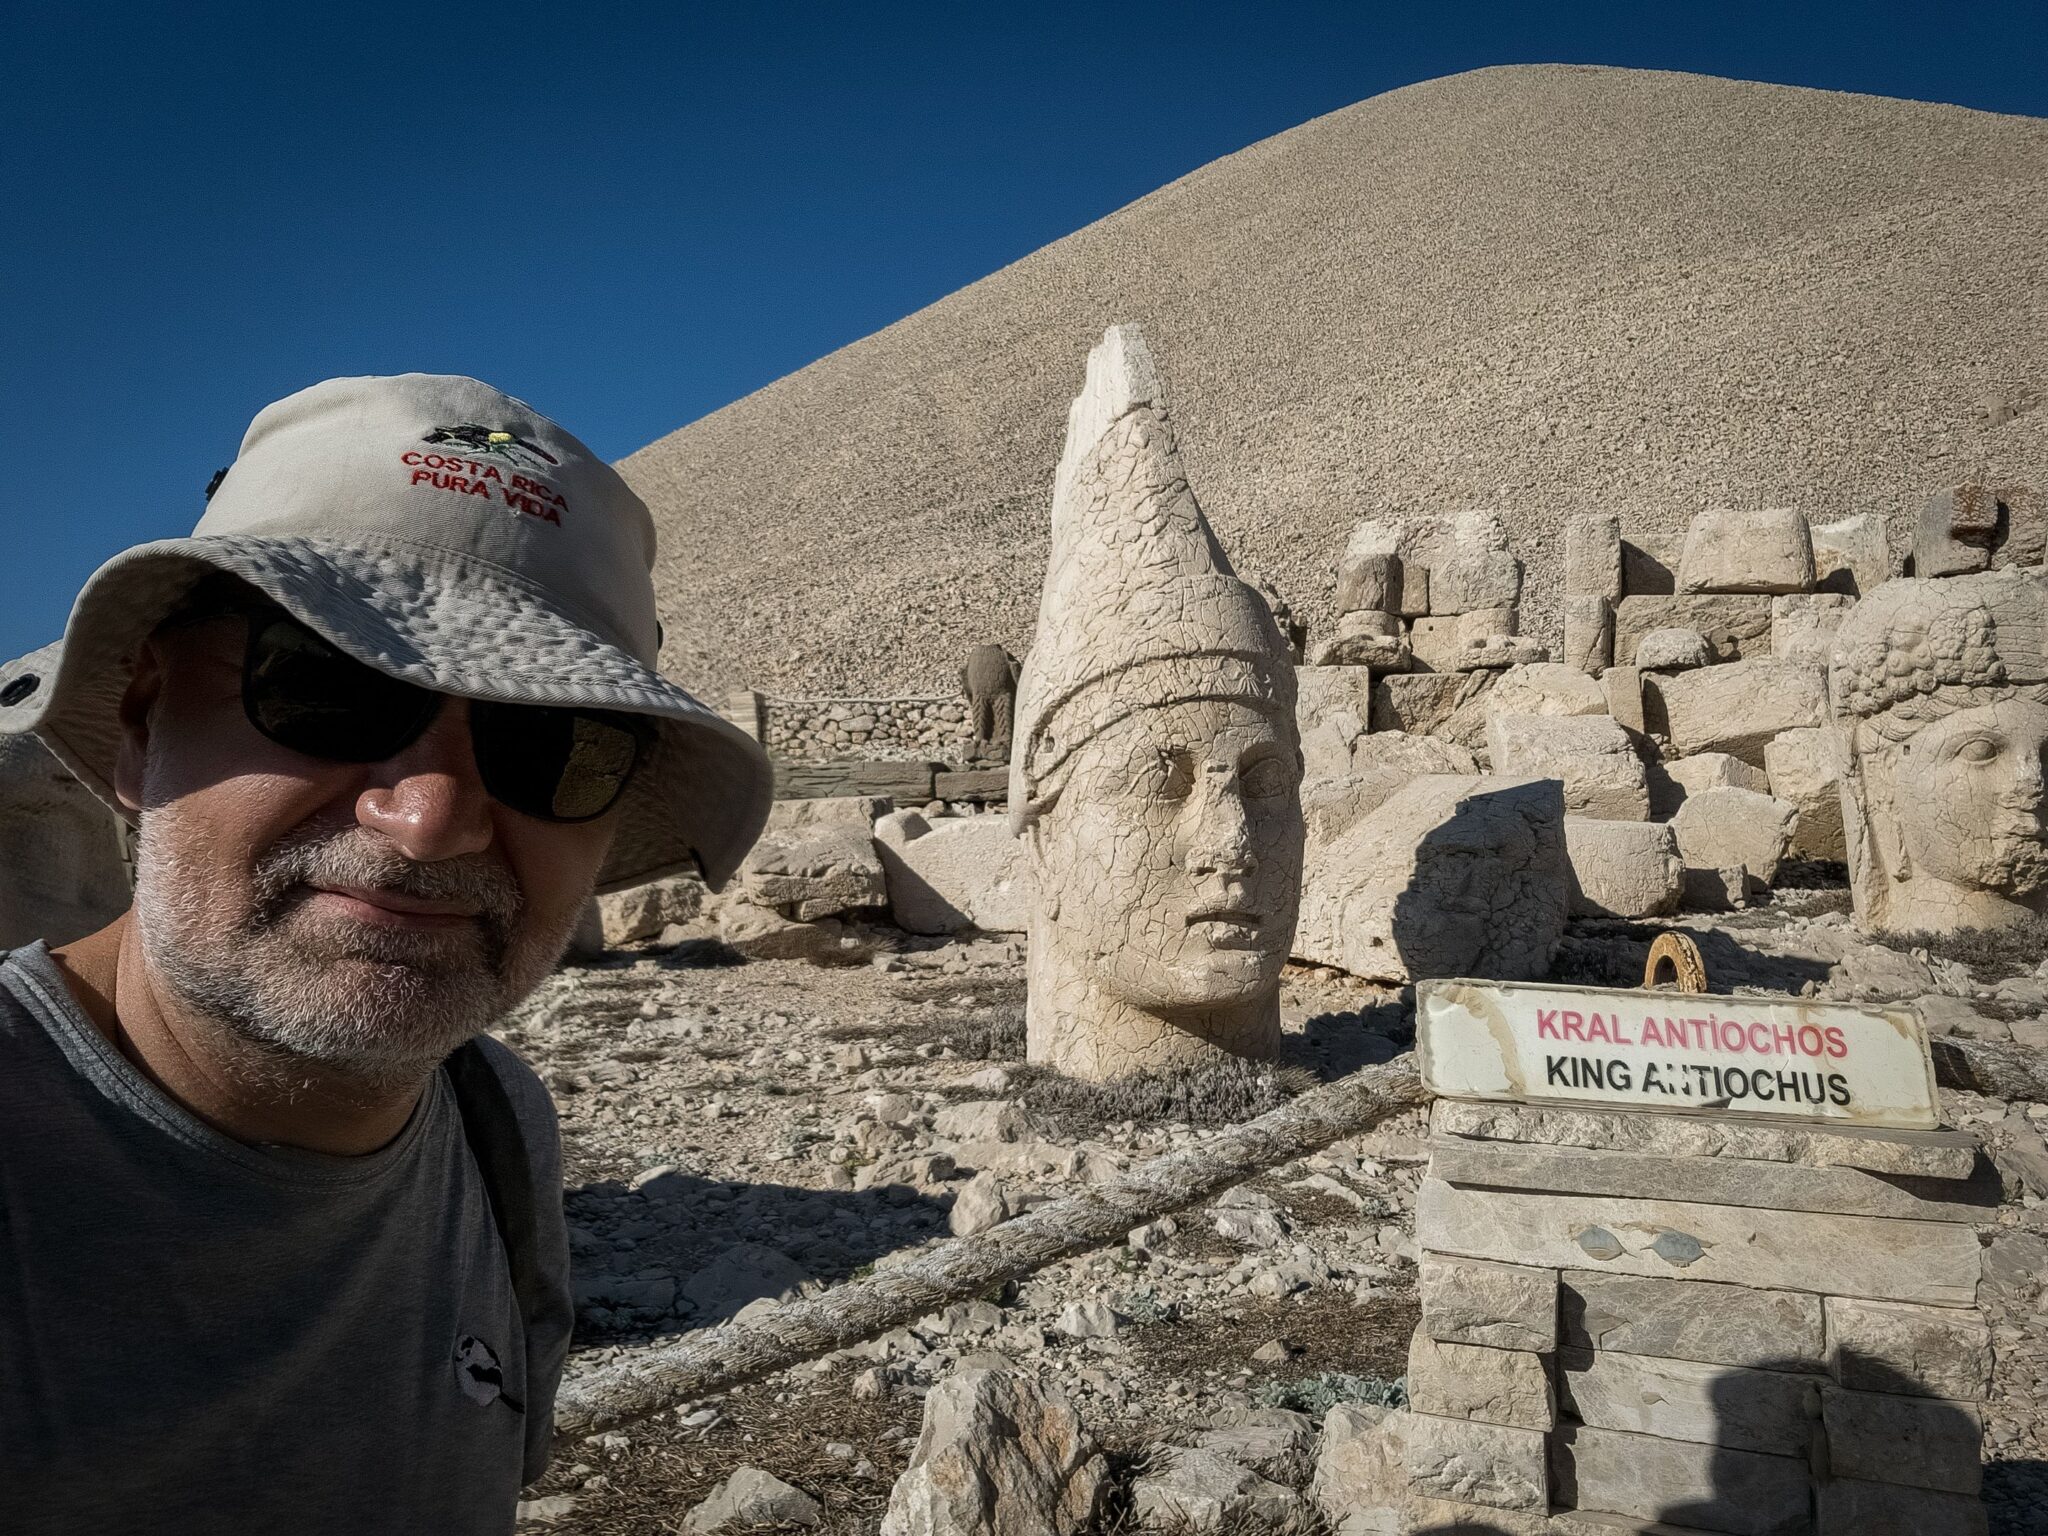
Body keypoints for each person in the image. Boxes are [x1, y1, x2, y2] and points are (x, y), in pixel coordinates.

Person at [0, 375, 772, 1533]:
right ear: (139, 723)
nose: (431, 819)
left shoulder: (497, 1130)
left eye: (554, 741)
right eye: (328, 689)